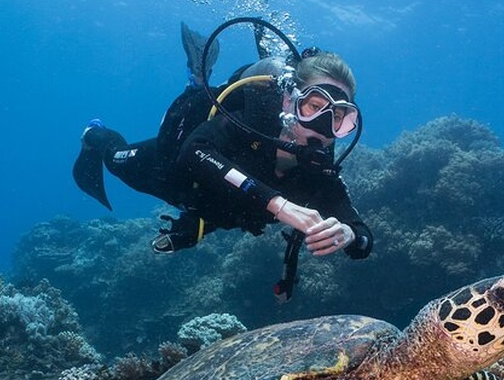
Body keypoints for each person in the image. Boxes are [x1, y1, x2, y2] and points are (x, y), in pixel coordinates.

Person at [73, 21, 373, 272]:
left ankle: (200, 222)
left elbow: (362, 238)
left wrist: (348, 235)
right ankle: (93, 135)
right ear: (289, 100)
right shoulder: (251, 118)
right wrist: (279, 205)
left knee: (217, 211)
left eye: (337, 117)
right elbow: (195, 151)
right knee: (114, 158)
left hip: (219, 207)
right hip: (172, 171)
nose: (322, 126)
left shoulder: (318, 163)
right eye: (313, 106)